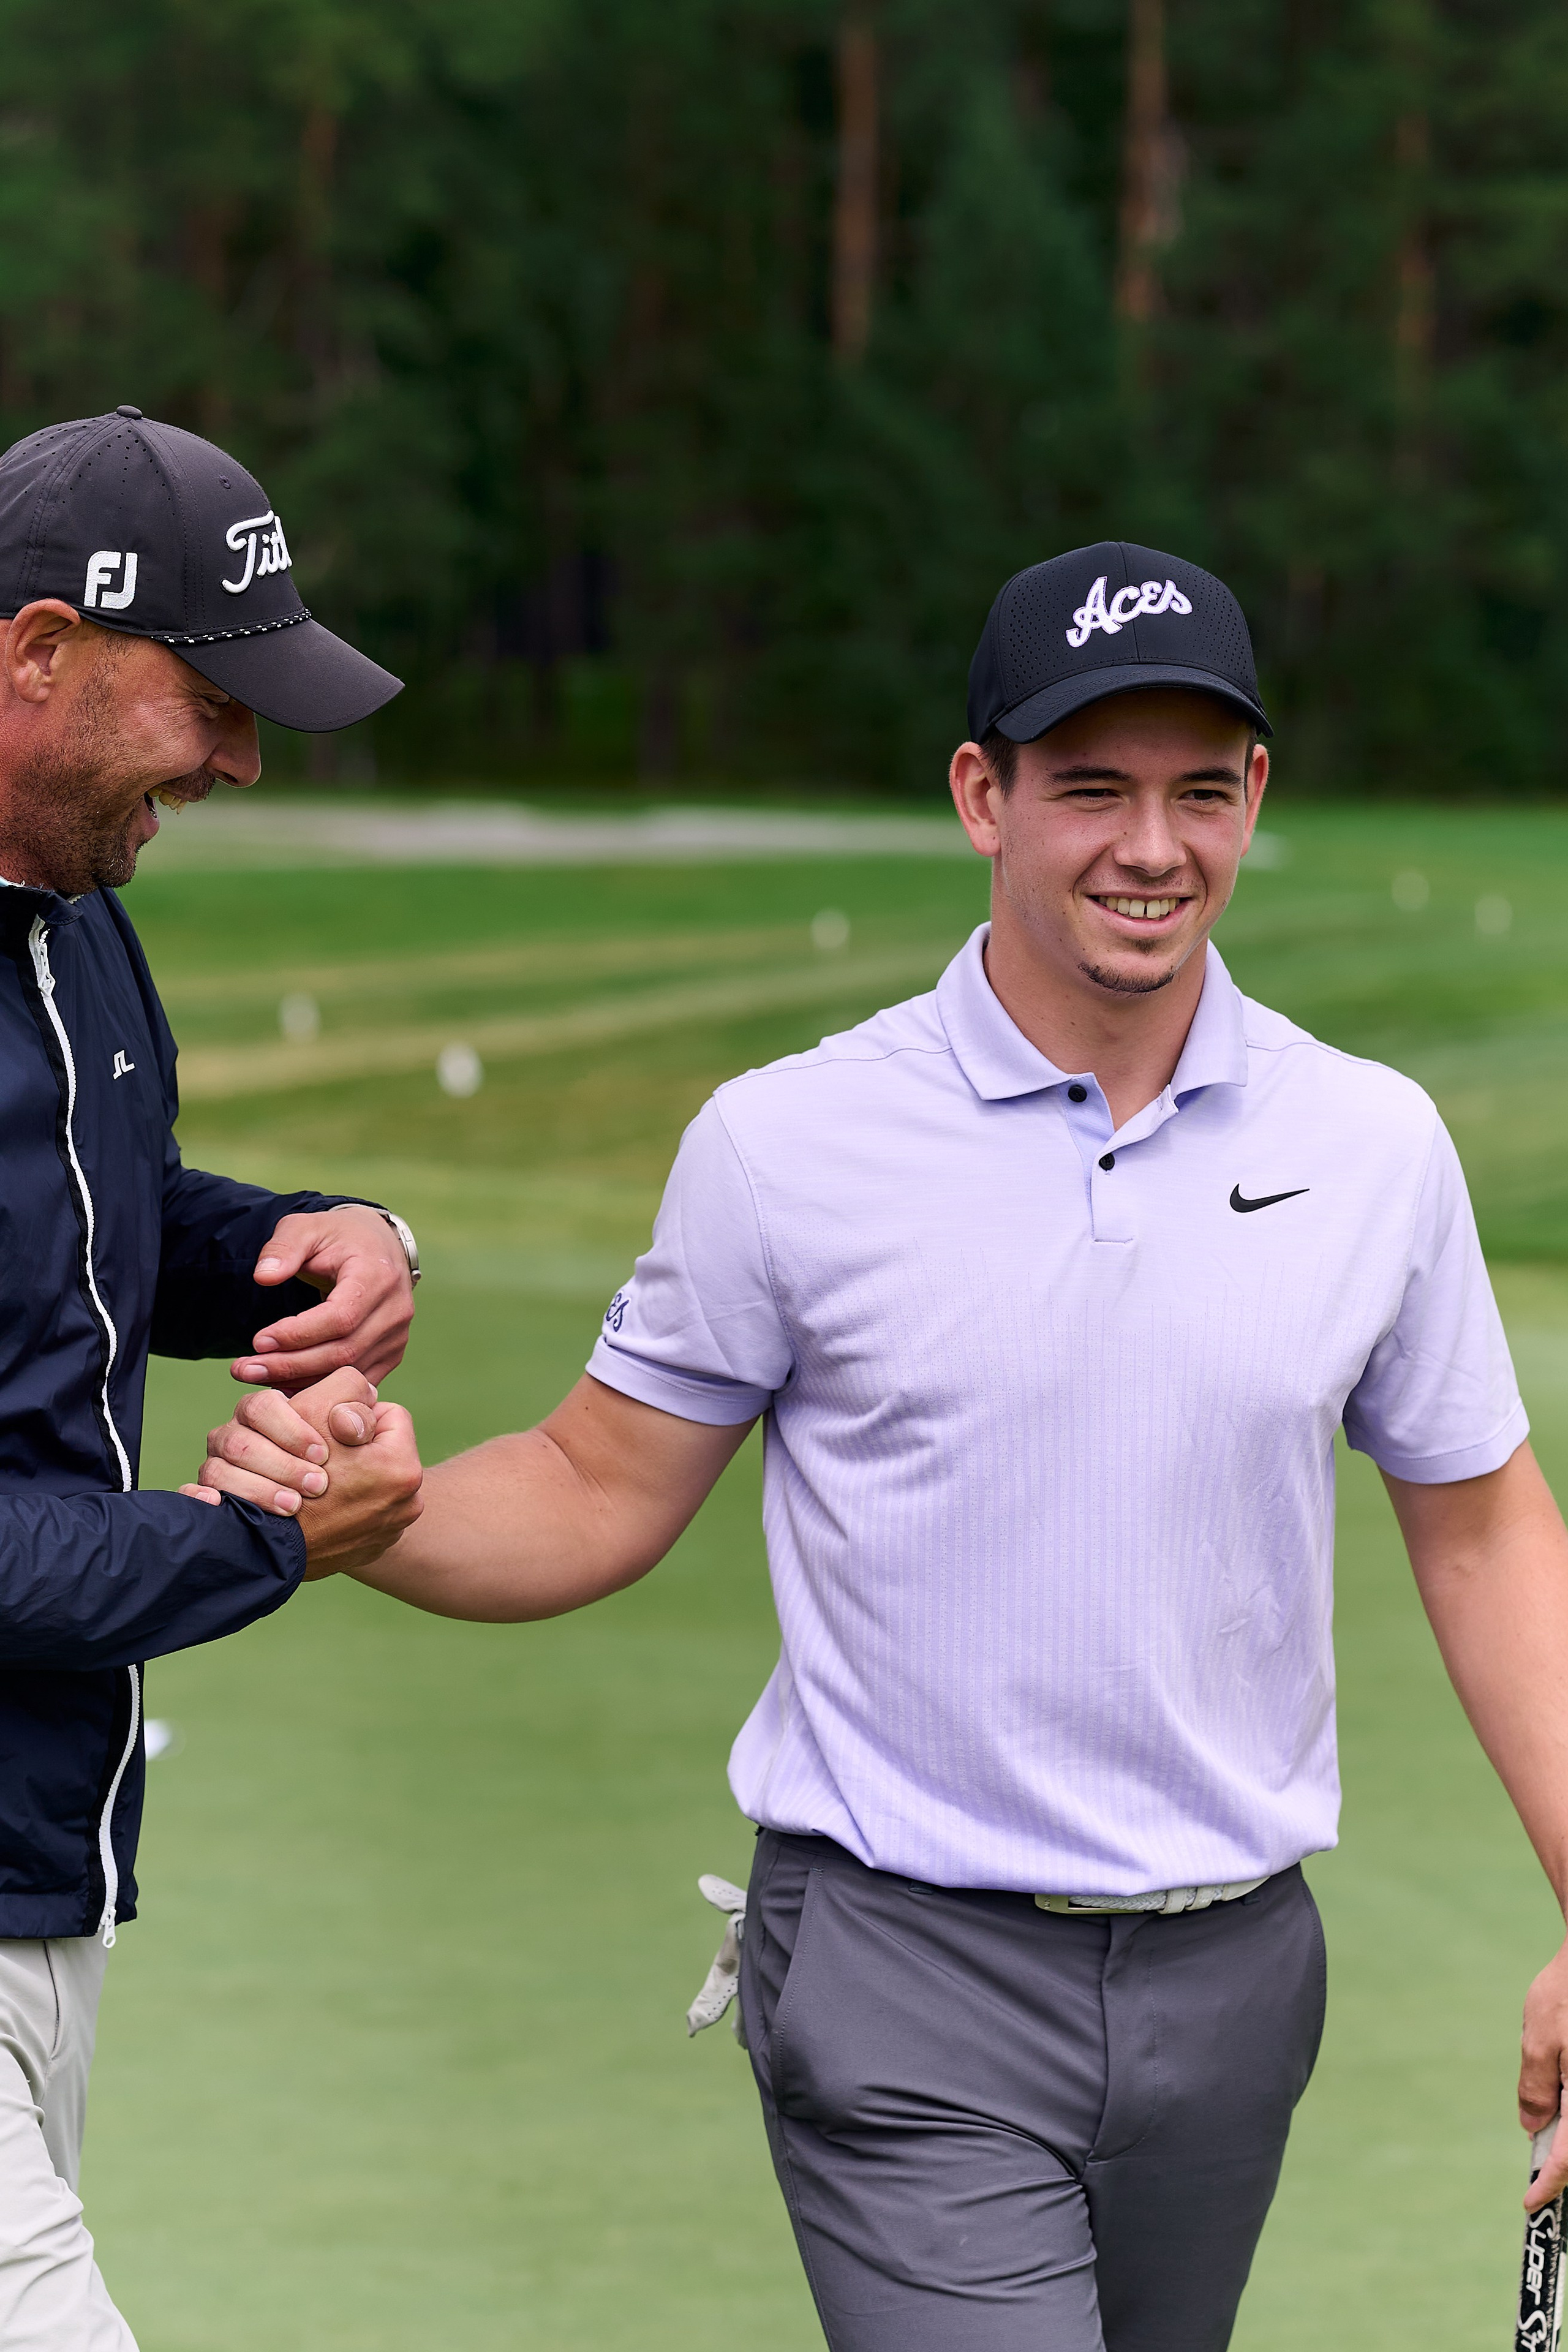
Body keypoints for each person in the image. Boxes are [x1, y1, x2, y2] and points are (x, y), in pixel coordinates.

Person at [202, 542, 1568, 2352]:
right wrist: (370, 1521)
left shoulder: (1374, 1146)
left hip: (1236, 1980)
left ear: (1256, 796)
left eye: (1196, 790)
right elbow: (601, 1485)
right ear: (981, 797)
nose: (1149, 847)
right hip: (901, 1971)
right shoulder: (790, 1146)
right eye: (1089, 788)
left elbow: (1484, 1533)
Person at [0, 407, 424, 2351]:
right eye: (209, 701)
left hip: (48, 1878)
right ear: (35, 655)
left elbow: (104, 1222)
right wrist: (262, 1534)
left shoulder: (76, 922)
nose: (244, 760)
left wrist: (320, 1234)